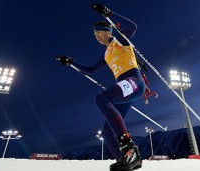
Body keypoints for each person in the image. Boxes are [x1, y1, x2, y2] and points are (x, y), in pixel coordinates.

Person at [56, 3, 144, 171]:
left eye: (98, 32)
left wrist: (108, 13)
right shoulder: (107, 53)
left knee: (102, 98)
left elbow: (133, 27)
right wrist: (70, 62)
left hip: (134, 82)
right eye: (94, 33)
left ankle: (130, 149)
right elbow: (90, 70)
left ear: (108, 31)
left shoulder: (119, 40)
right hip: (123, 88)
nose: (96, 36)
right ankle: (125, 162)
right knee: (106, 132)